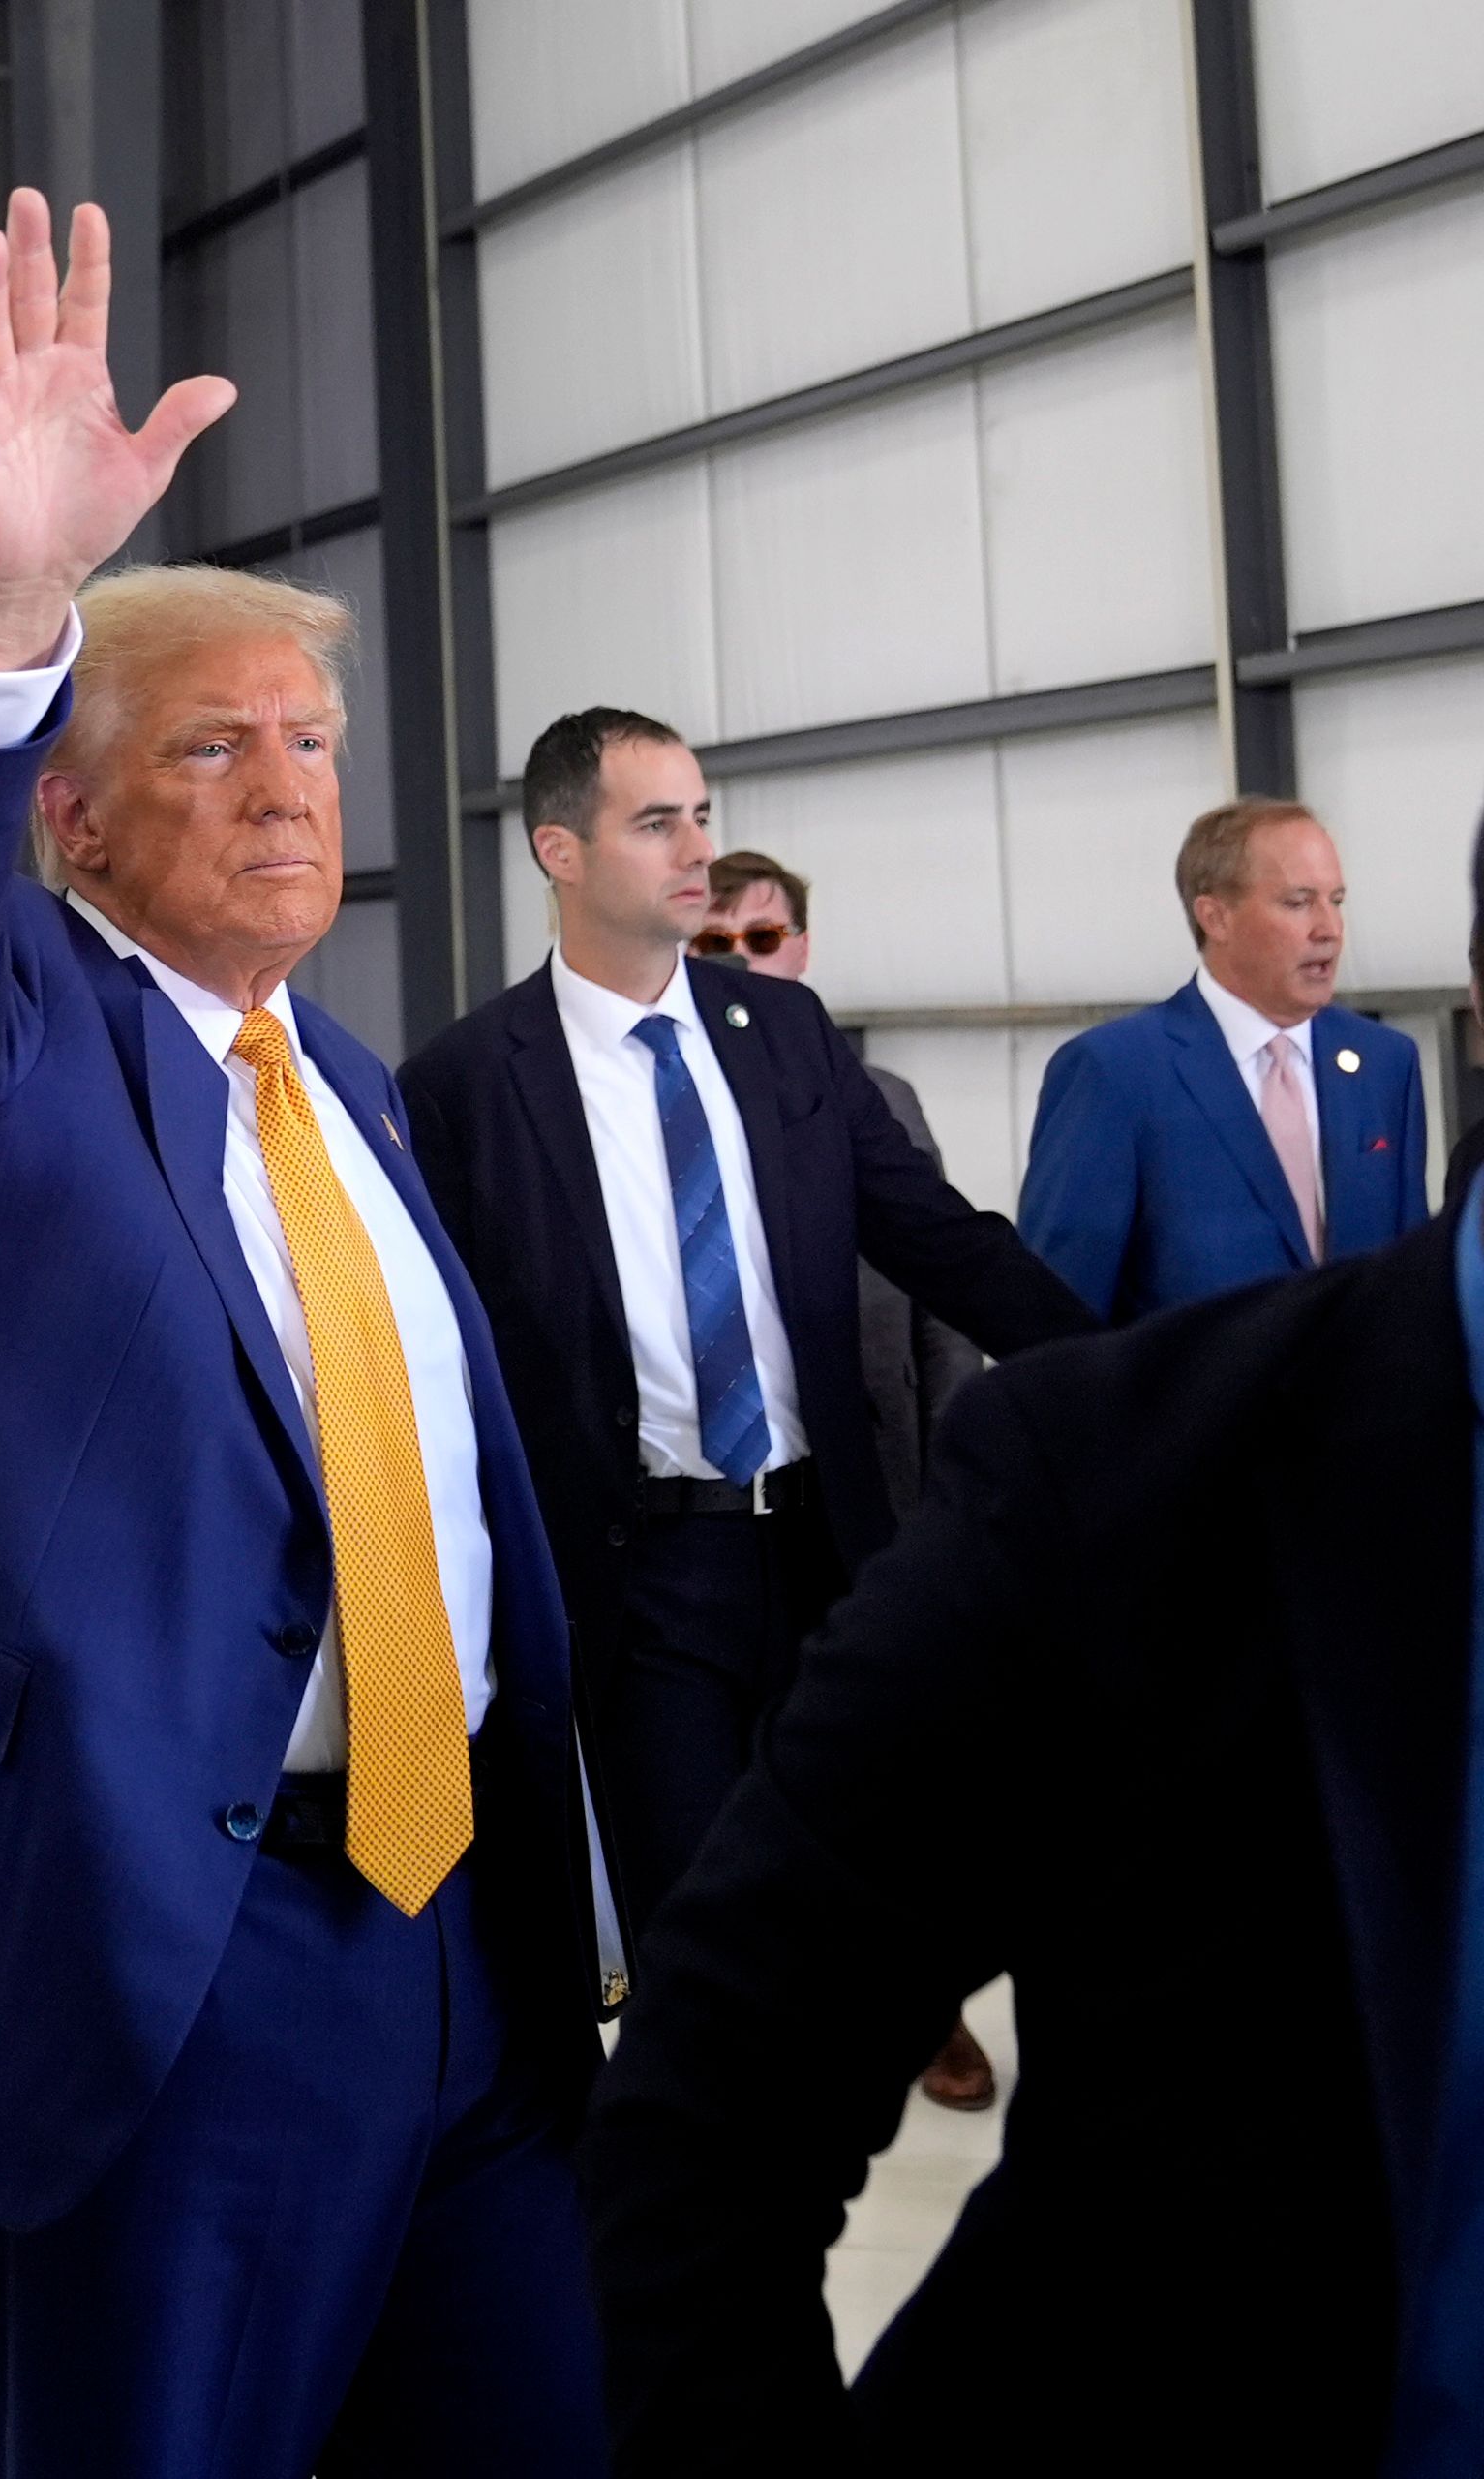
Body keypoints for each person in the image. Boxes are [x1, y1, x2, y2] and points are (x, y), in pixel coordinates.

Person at [0, 190, 612, 2478]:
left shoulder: (339, 1082)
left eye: (313, 744)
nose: (285, 789)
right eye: (210, 752)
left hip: (458, 1940)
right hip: (175, 1953)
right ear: (66, 813)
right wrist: (7, 598)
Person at [575, 824, 1484, 2479]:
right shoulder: (1120, 1415)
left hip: (883, 1509)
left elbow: (946, 1265)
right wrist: (1159, 1436)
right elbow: (712, 2121)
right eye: (1296, 895)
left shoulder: (1360, 1070)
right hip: (707, 1554)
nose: (1327, 926)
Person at [398, 715, 1092, 1936]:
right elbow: (441, 1358)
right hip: (642, 1573)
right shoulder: (466, 1084)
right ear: (560, 849)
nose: (697, 849)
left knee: (844, 1924)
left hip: (823, 1547)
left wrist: (1118, 1362)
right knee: (699, 1938)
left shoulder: (781, 1035)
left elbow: (936, 1235)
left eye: (702, 814)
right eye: (656, 820)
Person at [693, 846, 996, 2112]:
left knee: (895, 1776)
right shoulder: (638, 1121)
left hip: (873, 1498)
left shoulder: (883, 1102)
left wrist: (956, 1510)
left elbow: (940, 1313)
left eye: (766, 941)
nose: (746, 965)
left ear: (802, 952)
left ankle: (921, 2007)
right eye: (718, 946)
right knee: (733, 1782)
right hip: (711, 1514)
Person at [1018, 794, 1427, 1317]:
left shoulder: (1385, 1063)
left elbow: (1410, 1281)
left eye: (1337, 900)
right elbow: (1056, 1313)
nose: (1329, 929)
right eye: (1298, 902)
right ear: (1216, 917)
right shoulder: (1115, 1072)